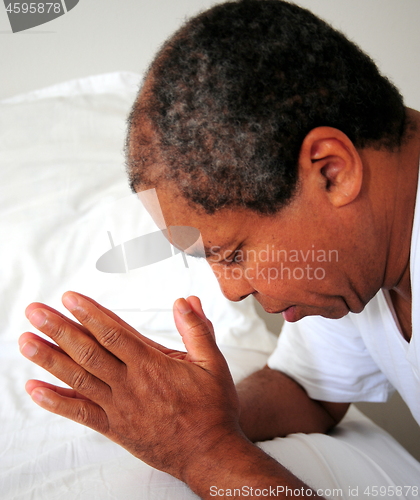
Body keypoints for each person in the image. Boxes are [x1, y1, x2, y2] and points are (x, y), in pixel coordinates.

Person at [18, 0, 420, 498]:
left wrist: (203, 449)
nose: (230, 291)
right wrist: (186, 416)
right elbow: (310, 388)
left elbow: (208, 446)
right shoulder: (362, 256)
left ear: (331, 172)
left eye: (231, 253)